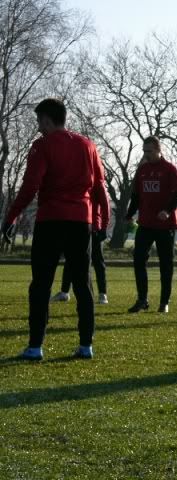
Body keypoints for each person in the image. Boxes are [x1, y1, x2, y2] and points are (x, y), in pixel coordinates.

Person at [1, 98, 110, 360]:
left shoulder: (42, 146)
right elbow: (100, 188)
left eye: (40, 122)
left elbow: (31, 186)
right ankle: (86, 345)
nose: (39, 127)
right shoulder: (88, 145)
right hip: (80, 221)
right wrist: (102, 222)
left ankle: (35, 346)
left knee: (41, 284)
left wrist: (11, 217)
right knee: (83, 283)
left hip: (50, 220)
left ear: (47, 120)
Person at [125, 136, 177, 314]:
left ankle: (164, 302)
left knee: (166, 264)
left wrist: (167, 210)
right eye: (144, 151)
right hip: (146, 224)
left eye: (149, 151)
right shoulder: (142, 170)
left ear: (159, 150)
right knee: (138, 259)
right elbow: (136, 196)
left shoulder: (170, 169)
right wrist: (129, 214)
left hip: (165, 225)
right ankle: (142, 299)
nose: (146, 154)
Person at [50, 204, 109, 304]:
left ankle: (102, 293)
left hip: (93, 227)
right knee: (71, 258)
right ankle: (65, 292)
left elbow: (105, 206)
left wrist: (103, 228)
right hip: (78, 226)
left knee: (97, 261)